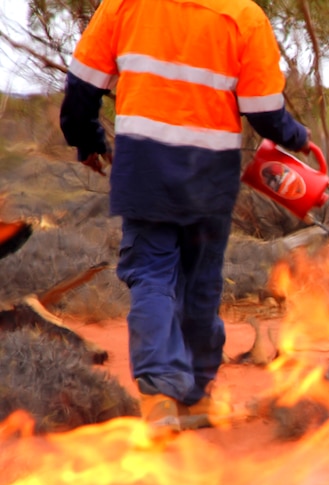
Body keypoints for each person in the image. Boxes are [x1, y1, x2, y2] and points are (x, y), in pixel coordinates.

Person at [60, 0, 311, 432]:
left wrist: (87, 139)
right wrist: (297, 137)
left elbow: (82, 87)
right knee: (201, 282)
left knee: (153, 275)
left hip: (145, 166)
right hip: (210, 172)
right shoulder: (243, 15)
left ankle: (159, 397)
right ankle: (195, 397)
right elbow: (266, 112)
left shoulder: (125, 5)